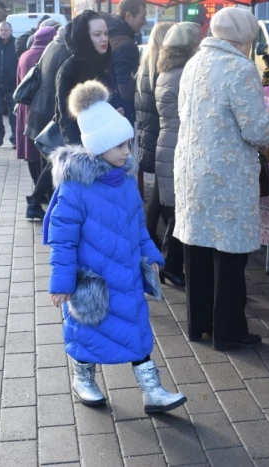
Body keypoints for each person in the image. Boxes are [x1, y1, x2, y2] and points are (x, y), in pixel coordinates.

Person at [44, 79, 187, 413]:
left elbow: (138, 226)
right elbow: (63, 242)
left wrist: (150, 255)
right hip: (94, 281)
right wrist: (62, 284)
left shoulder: (123, 182)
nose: (128, 151)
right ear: (98, 146)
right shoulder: (74, 189)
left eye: (128, 143)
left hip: (126, 276)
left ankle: (152, 390)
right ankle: (84, 377)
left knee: (136, 331)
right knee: (87, 332)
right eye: (120, 145)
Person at [174, 8, 269, 351]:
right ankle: (229, 332)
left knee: (199, 248)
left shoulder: (194, 63)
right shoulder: (240, 68)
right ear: (244, 39)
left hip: (192, 166)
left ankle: (198, 324)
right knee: (229, 252)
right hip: (226, 173)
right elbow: (256, 129)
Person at [154, 22, 201, 288]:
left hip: (167, 144)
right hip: (176, 147)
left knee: (176, 212)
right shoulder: (184, 74)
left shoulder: (167, 70)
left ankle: (168, 265)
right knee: (179, 213)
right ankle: (170, 266)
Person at [24, 24, 73, 220]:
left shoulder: (52, 46)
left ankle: (37, 200)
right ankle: (35, 200)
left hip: (40, 107)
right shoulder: (65, 52)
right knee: (56, 158)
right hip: (50, 110)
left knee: (53, 159)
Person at [135, 22, 174, 247]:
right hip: (162, 136)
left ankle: (149, 236)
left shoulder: (146, 64)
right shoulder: (163, 66)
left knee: (160, 192)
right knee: (162, 193)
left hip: (151, 135)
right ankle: (151, 238)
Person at [55, 10, 119, 146]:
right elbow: (66, 118)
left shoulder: (105, 62)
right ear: (84, 37)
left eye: (106, 33)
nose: (104, 38)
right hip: (85, 147)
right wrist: (78, 154)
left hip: (108, 142)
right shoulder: (71, 69)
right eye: (97, 34)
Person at [16, 27, 57, 185]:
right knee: (40, 147)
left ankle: (36, 184)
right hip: (39, 107)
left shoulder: (24, 54)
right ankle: (41, 189)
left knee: (29, 150)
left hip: (24, 106)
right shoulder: (46, 54)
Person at [105, 0, 148, 125]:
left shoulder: (109, 34)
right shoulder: (126, 45)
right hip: (122, 113)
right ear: (128, 16)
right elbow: (125, 90)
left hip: (110, 108)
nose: (145, 21)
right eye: (142, 16)